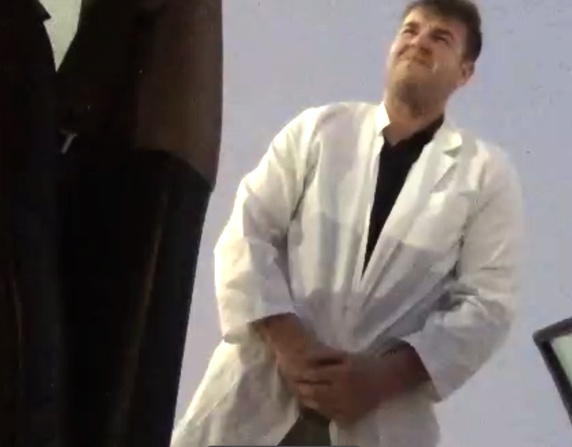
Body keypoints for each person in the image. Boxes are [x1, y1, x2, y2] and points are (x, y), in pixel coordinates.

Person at [171, 0, 523, 446]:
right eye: (410, 30)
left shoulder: (485, 173)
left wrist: (381, 379)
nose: (419, 43)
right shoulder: (318, 130)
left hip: (378, 417)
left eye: (441, 38)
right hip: (257, 393)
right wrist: (290, 344)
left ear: (464, 73)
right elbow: (249, 230)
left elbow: (487, 305)